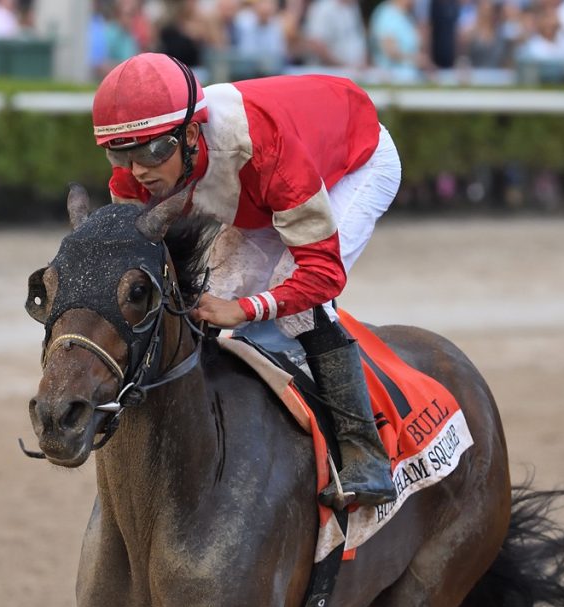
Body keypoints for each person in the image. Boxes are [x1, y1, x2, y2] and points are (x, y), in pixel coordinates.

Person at [91, 52, 402, 506]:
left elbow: (323, 274)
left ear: (191, 134)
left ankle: (365, 451)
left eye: (154, 152)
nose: (138, 169)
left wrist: (246, 308)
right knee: (204, 292)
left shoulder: (265, 148)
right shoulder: (137, 169)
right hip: (263, 187)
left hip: (355, 161)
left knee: (297, 305)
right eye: (123, 153)